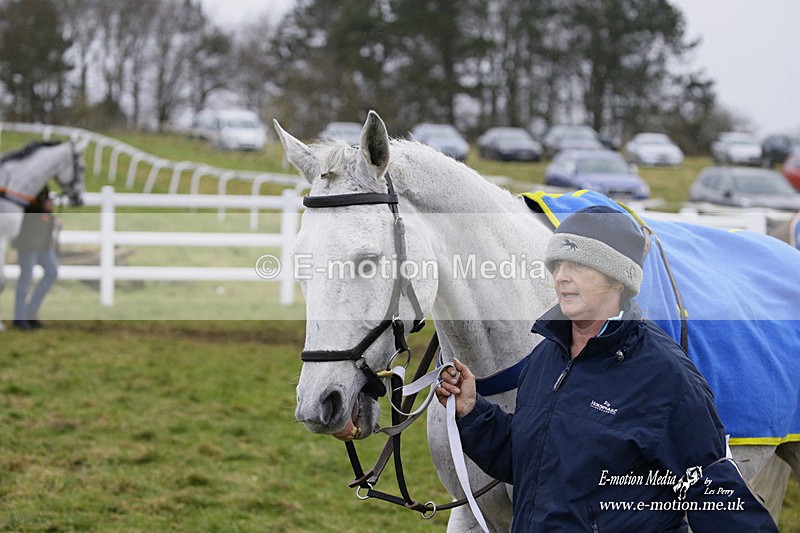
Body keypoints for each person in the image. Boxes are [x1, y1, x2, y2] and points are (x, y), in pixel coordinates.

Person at [436, 206, 777, 531]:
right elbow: (528, 461)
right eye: (558, 264)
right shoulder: (545, 357)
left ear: (618, 279)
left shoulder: (666, 375)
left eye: (579, 265)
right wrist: (473, 412)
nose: (562, 278)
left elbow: (715, 493)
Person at [12, 186, 59, 330]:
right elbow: (23, 209)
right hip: (28, 241)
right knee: (26, 279)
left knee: (52, 272)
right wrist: (42, 207)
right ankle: (19, 318)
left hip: (44, 241)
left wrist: (49, 211)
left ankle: (31, 311)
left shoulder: (44, 187)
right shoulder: (26, 184)